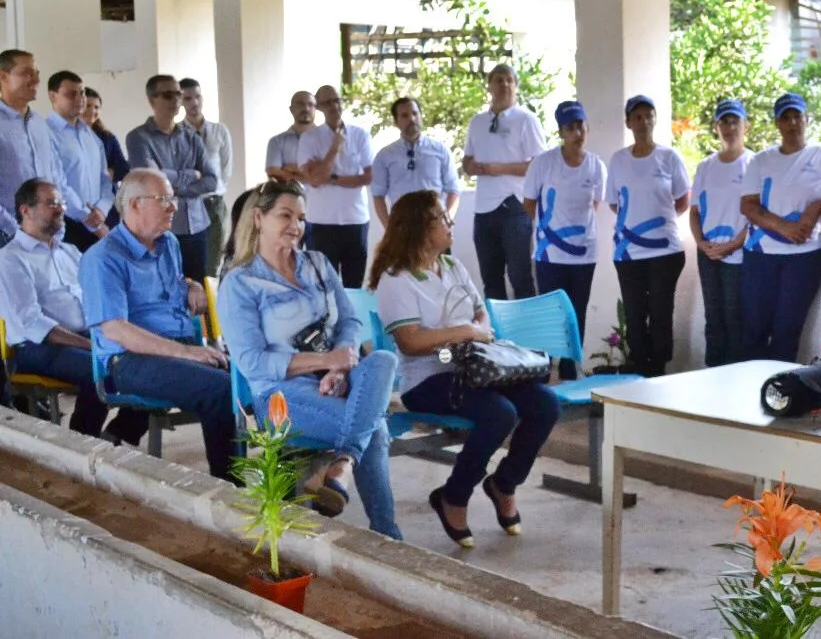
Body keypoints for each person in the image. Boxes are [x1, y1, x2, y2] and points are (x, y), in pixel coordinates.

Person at [372, 190, 559, 549]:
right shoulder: (397, 280)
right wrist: (466, 333)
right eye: (442, 218)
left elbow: (479, 313)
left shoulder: (453, 267)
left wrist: (477, 332)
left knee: (545, 403)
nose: (450, 223)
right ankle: (453, 497)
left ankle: (504, 483)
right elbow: (411, 342)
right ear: (419, 228)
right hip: (429, 373)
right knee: (498, 413)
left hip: (475, 366)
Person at [219, 180, 401, 539]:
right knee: (375, 429)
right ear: (258, 218)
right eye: (285, 215)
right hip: (279, 394)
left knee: (382, 359)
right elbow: (254, 362)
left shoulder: (317, 264)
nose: (296, 226)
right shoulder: (240, 282)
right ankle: (387, 533)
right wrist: (321, 361)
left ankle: (341, 463)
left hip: (338, 376)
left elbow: (349, 321)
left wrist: (338, 364)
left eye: (301, 217)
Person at [79, 168, 235, 481]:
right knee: (220, 389)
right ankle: (232, 490)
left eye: (172, 199)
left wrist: (189, 284)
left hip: (174, 348)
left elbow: (169, 288)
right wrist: (188, 353)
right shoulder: (104, 257)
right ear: (135, 204)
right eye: (163, 199)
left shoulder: (168, 245)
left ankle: (285, 481)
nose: (173, 207)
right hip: (127, 360)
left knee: (257, 376)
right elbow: (116, 330)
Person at [0, 179, 149, 443]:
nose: (60, 209)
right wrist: (91, 345)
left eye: (62, 202)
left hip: (84, 337)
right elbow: (32, 323)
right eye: (51, 203)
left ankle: (118, 435)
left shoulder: (70, 252)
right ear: (25, 210)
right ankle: (80, 446)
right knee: (103, 368)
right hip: (37, 347)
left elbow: (103, 295)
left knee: (151, 360)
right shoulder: (11, 258)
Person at [739, 93, 821, 363]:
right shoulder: (761, 160)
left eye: (797, 116)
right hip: (761, 254)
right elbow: (748, 205)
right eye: (785, 117)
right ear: (777, 123)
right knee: (754, 328)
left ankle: (781, 394)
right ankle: (751, 388)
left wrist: (810, 214)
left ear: (806, 119)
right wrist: (784, 227)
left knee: (788, 330)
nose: (792, 122)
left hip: (804, 256)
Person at [606, 95, 690, 378]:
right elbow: (614, 203)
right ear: (629, 123)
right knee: (634, 313)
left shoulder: (669, 157)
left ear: (655, 119)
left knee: (661, 313)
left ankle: (658, 373)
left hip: (666, 253)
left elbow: (682, 201)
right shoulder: (618, 160)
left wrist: (656, 225)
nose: (643, 121)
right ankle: (638, 373)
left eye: (648, 116)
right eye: (637, 117)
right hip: (628, 255)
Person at [522, 100, 605, 379]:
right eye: (570, 127)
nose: (577, 133)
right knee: (549, 314)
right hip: (549, 255)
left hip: (584, 254)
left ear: (587, 128)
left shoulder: (596, 167)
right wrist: (551, 232)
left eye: (580, 126)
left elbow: (595, 205)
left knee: (576, 313)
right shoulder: (543, 164)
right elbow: (529, 203)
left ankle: (571, 369)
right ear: (561, 132)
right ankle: (543, 371)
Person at [461, 64, 544, 301]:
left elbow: (539, 165)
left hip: (515, 207)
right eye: (499, 80)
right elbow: (466, 159)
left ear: (516, 86)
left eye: (509, 80)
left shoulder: (526, 120)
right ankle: (497, 335)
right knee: (491, 278)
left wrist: (499, 168)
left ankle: (526, 333)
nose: (504, 85)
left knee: (520, 277)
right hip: (484, 209)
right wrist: (470, 167)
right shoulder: (477, 122)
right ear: (489, 85)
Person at [125, 75, 216, 282]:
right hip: (160, 228)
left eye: (178, 94)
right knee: (166, 287)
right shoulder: (138, 138)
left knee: (198, 290)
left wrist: (172, 188)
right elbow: (150, 181)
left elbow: (211, 180)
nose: (175, 100)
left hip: (196, 225)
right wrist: (192, 175)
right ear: (152, 100)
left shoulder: (191, 136)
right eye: (168, 95)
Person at [689, 99, 753, 368]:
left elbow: (756, 213)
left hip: (738, 253)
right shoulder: (706, 166)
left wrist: (734, 244)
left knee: (734, 317)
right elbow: (694, 211)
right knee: (713, 318)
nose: (729, 127)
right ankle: (712, 375)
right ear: (716, 127)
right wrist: (702, 244)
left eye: (734, 121)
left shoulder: (754, 163)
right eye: (724, 122)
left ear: (745, 126)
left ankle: (735, 378)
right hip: (708, 254)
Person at [299, 85, 374, 288]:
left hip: (355, 220)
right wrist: (335, 148)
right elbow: (313, 180)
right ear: (319, 107)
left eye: (337, 100)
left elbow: (368, 177)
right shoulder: (309, 139)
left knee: (353, 285)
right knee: (323, 285)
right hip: (320, 223)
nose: (334, 106)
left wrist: (329, 177)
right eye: (327, 102)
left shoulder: (360, 135)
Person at [0, 49, 65, 244]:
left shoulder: (39, 123)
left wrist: (58, 223)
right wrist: (16, 231)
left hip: (47, 233)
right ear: (3, 76)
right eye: (26, 73)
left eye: (36, 73)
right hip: (7, 235)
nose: (36, 80)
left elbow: (55, 174)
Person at [45, 71, 113, 252]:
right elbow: (57, 183)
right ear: (53, 96)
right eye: (71, 94)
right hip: (68, 223)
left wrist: (101, 210)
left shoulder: (90, 134)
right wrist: (88, 218)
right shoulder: (46, 133)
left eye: (81, 92)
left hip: (99, 220)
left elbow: (105, 178)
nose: (80, 98)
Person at [372, 97, 460, 228]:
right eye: (405, 115)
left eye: (415, 113)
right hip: (402, 227)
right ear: (396, 122)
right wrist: (388, 227)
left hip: (434, 225)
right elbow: (378, 195)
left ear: (421, 116)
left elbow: (454, 190)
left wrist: (446, 222)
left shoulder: (440, 151)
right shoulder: (385, 155)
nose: (412, 119)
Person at [180, 78, 233, 278]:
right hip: (189, 203)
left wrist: (212, 186)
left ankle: (211, 308)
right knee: (189, 261)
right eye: (187, 98)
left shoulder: (219, 131)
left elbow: (226, 170)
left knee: (213, 262)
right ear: (180, 102)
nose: (194, 103)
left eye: (197, 97)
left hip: (214, 203)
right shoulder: (177, 134)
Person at [83, 86, 130, 197]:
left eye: (96, 107)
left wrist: (105, 174)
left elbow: (124, 168)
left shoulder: (108, 137)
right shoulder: (68, 137)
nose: (92, 111)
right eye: (88, 106)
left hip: (108, 195)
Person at [265, 91, 316, 183]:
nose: (306, 108)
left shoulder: (327, 139)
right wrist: (309, 175)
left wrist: (289, 169)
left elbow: (328, 174)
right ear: (291, 109)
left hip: (321, 196)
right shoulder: (277, 141)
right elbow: (273, 173)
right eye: (300, 104)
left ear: (315, 109)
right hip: (289, 196)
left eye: (310, 104)